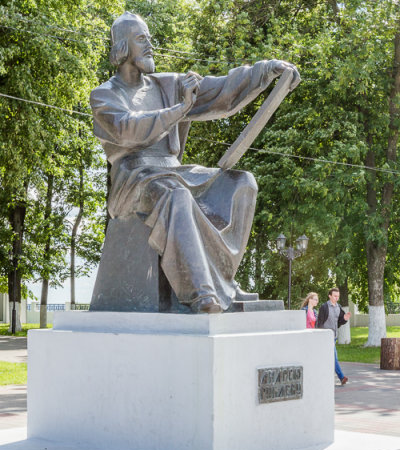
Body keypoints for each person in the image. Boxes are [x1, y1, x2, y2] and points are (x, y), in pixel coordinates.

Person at [90, 12, 300, 313]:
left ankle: (222, 278)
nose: (150, 44)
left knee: (242, 183)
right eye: (141, 38)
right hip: (135, 178)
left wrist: (265, 72)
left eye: (149, 37)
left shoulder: (168, 85)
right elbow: (128, 130)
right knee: (176, 196)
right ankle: (202, 294)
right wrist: (180, 110)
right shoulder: (104, 95)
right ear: (122, 47)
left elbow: (220, 92)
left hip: (174, 171)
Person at [316, 288, 351, 385]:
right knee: (333, 357)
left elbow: (340, 322)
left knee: (328, 358)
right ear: (330, 296)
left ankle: (321, 377)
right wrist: (320, 336)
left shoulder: (338, 307)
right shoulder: (324, 307)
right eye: (335, 296)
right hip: (326, 337)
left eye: (338, 296)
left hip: (334, 336)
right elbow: (319, 323)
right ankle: (341, 377)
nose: (337, 298)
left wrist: (344, 319)